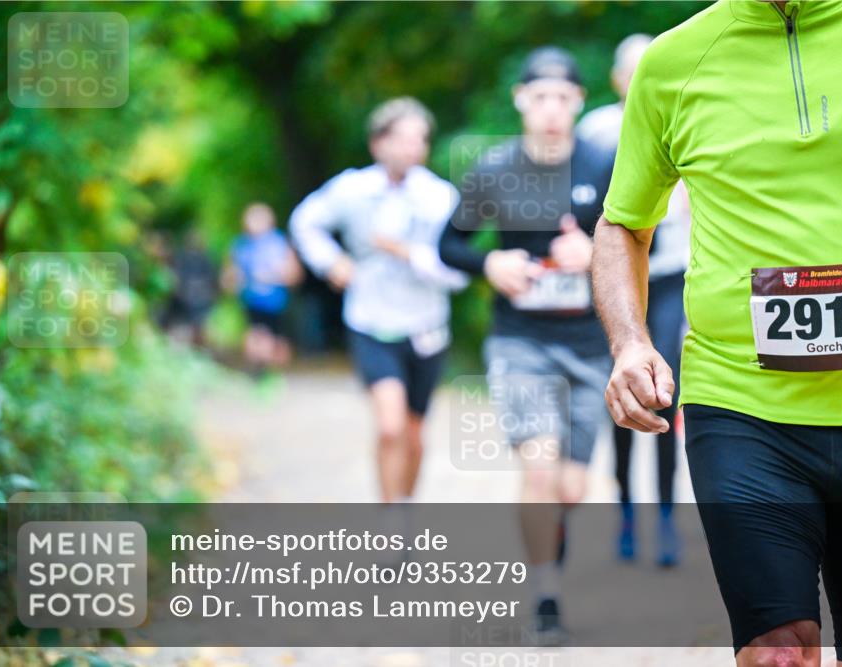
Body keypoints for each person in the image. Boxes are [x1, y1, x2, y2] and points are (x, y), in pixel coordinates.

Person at [592, 0, 842, 665]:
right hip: (740, 404)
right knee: (778, 649)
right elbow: (623, 223)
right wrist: (629, 341)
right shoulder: (674, 60)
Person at [439, 47, 614, 644]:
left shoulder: (604, 163)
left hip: (591, 342)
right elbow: (449, 245)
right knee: (539, 466)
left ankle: (549, 559)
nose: (550, 110)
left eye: (562, 98)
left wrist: (595, 254)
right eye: (539, 97)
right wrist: (490, 260)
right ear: (520, 100)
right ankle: (545, 594)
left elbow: (641, 241)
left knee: (571, 488)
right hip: (522, 340)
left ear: (578, 102)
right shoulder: (492, 169)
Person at [290, 97, 467, 508]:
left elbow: (458, 272)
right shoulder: (351, 189)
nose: (411, 148)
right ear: (377, 144)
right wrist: (331, 262)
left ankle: (404, 506)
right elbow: (304, 221)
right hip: (369, 320)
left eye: (419, 140)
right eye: (402, 139)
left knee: (414, 433)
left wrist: (409, 254)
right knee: (390, 427)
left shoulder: (440, 198)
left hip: (425, 324)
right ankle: (389, 516)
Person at [577, 33, 690, 565]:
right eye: (635, 69)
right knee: (621, 392)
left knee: (664, 390)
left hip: (669, 276)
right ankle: (625, 510)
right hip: (619, 279)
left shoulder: (689, 110)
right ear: (619, 79)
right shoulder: (597, 131)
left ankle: (667, 517)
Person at [222, 203, 302, 373]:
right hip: (251, 301)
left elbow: (293, 274)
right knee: (255, 335)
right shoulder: (240, 245)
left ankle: (278, 373)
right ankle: (259, 371)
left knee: (277, 340)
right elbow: (229, 275)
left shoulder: (279, 242)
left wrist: (274, 276)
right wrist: (234, 282)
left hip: (276, 301)